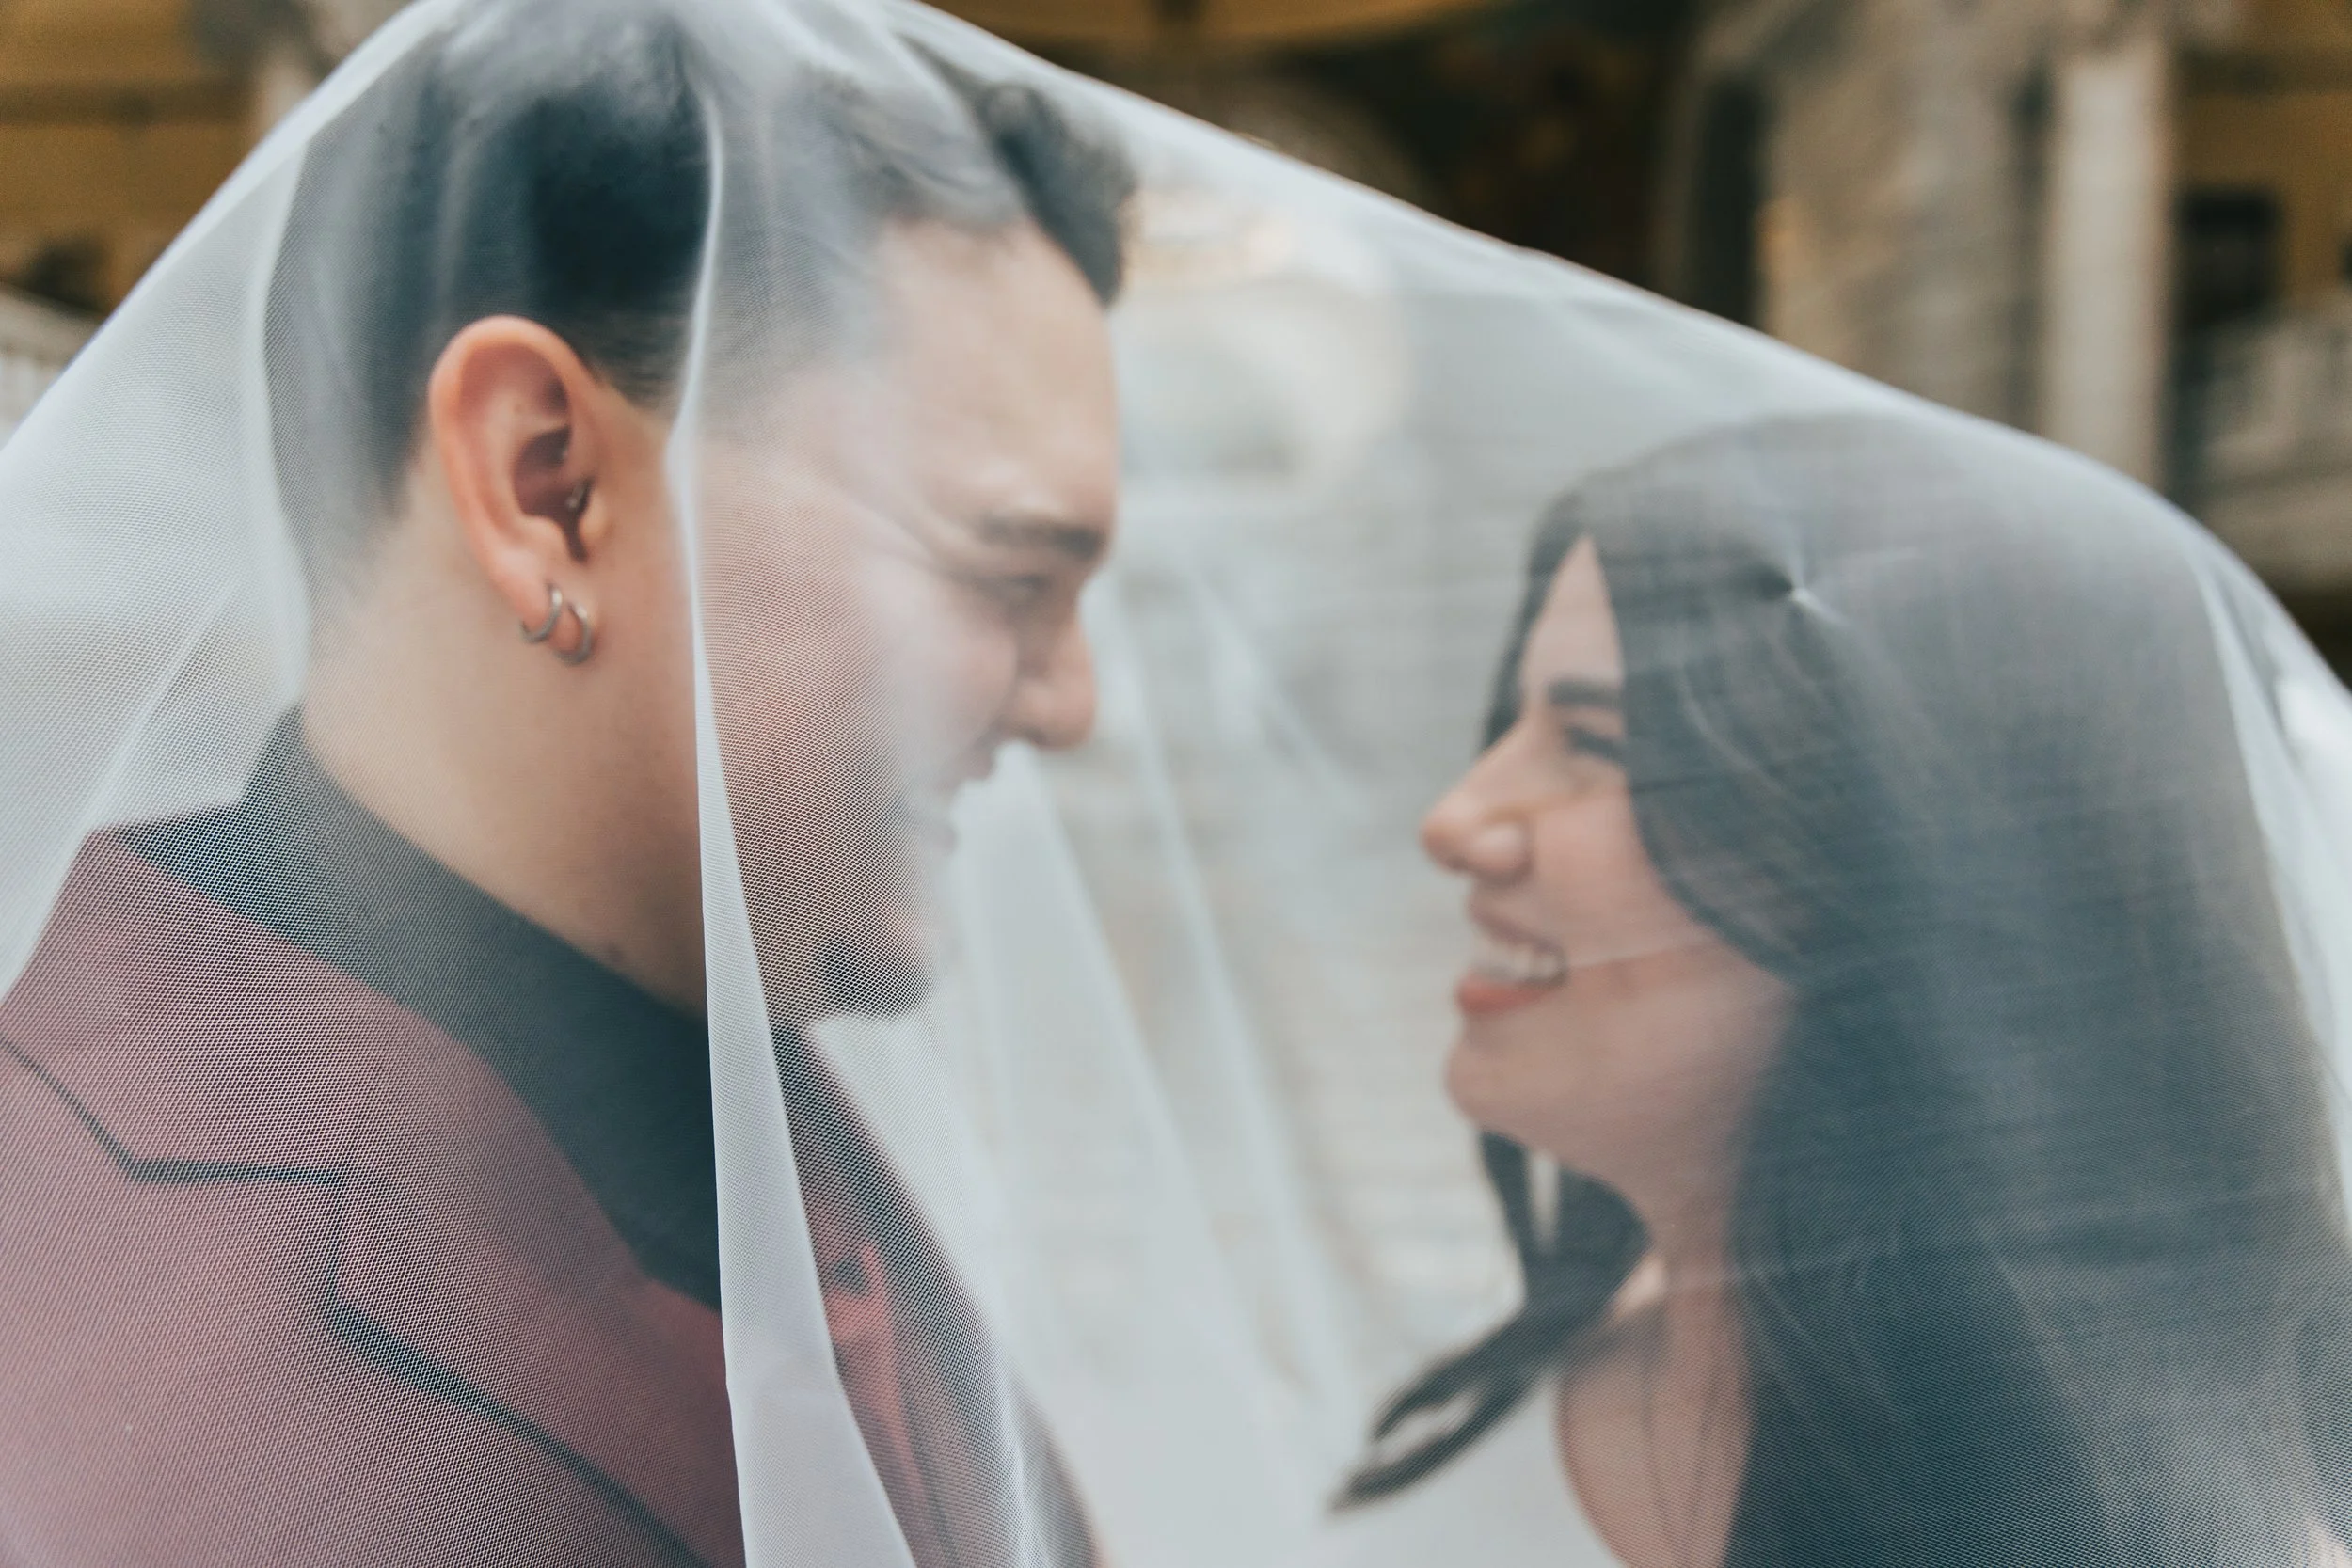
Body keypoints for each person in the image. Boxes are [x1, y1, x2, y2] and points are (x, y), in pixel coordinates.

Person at [0, 2, 1129, 1564]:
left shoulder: (717, 1030)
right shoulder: (126, 1309)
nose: (1070, 704)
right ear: (551, 483)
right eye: (1005, 571)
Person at [1348, 413, 2352, 1567]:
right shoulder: (1485, 1406)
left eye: (1596, 742)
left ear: (1901, 860)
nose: (1456, 820)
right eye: (1510, 722)